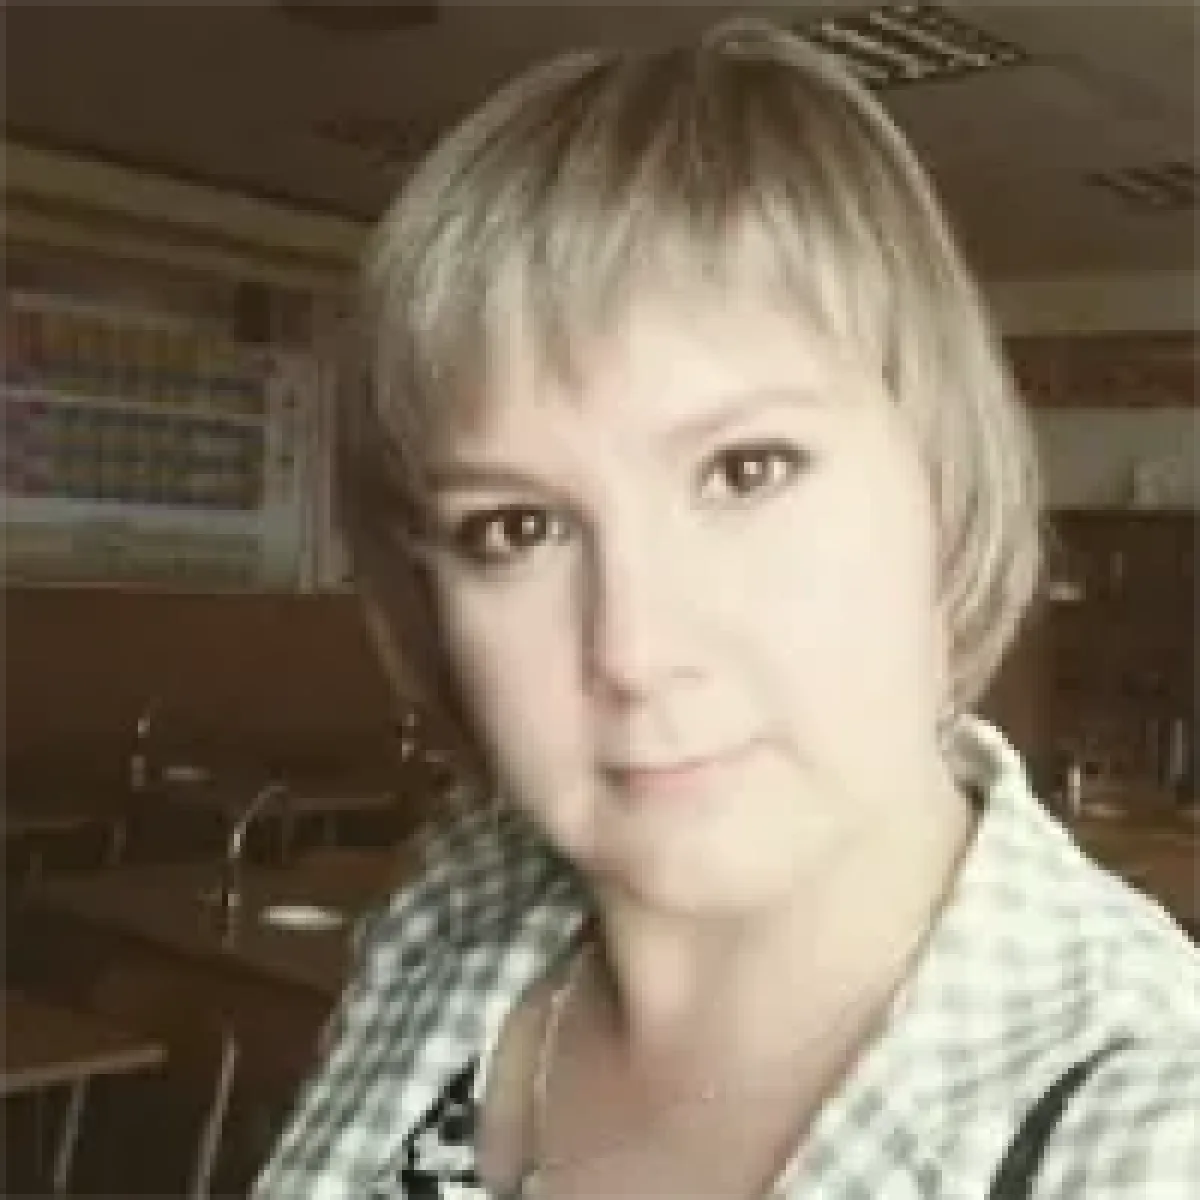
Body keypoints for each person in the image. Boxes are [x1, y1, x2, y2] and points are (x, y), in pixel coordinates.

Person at [254, 18, 1200, 1199]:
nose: (634, 650)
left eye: (747, 470)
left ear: (947, 483)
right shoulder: (456, 903)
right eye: (518, 528)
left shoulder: (1146, 1133)